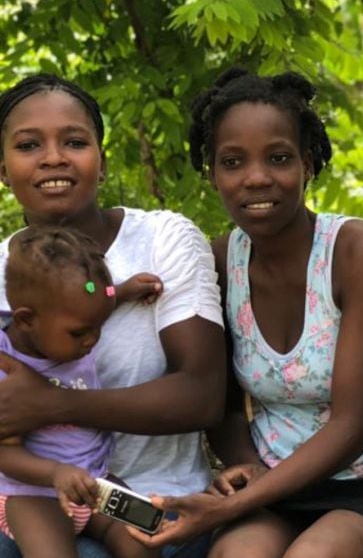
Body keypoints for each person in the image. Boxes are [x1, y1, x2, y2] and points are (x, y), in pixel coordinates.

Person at [125, 69, 363, 558]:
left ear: (308, 163)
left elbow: (351, 426)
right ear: (212, 172)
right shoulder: (221, 262)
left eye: (279, 158)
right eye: (233, 161)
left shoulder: (355, 252)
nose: (257, 177)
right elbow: (220, 405)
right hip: (271, 482)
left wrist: (226, 509)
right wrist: (244, 464)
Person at [0, 74, 226, 558]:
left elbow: (203, 396)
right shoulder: (3, 275)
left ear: (101, 162)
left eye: (75, 142)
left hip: (145, 495)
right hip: (29, 495)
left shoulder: (161, 240)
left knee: (136, 539)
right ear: (3, 168)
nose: (54, 157)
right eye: (28, 145)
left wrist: (50, 403)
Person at [0, 226, 162, 558]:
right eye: (80, 333)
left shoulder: (68, 318)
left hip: (95, 481)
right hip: (33, 492)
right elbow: (5, 454)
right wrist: (56, 474)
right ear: (26, 320)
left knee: (144, 537)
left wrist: (125, 291)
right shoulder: (7, 369)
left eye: (98, 327)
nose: (91, 341)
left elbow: (89, 301)